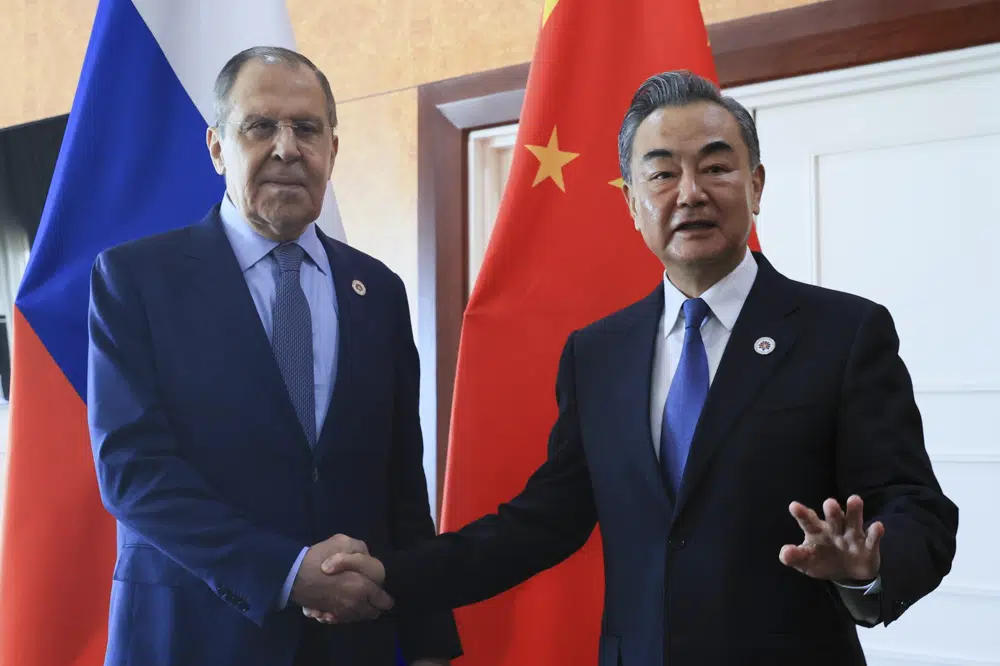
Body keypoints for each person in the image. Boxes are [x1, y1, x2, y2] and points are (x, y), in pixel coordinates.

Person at [305, 71, 959, 665]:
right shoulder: (599, 353)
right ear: (632, 204)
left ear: (756, 186)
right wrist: (392, 575)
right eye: (663, 173)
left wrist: (867, 563)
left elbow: (918, 510)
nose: (691, 192)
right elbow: (540, 524)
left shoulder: (843, 334)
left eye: (717, 167)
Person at [87, 46, 460, 666]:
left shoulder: (379, 292)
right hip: (192, 637)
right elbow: (133, 471)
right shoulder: (136, 280)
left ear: (332, 151)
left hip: (348, 645)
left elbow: (400, 484)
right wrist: (288, 573)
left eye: (307, 128)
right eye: (260, 126)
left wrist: (429, 644)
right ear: (215, 148)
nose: (287, 149)